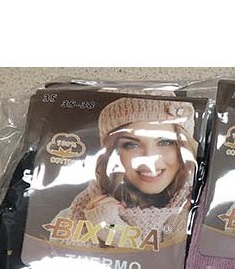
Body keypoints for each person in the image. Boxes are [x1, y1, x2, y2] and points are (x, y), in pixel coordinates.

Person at [58, 97, 198, 246]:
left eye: (165, 142)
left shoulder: (203, 211)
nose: (149, 158)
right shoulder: (73, 216)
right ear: (112, 153)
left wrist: (112, 231)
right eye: (131, 145)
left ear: (184, 148)